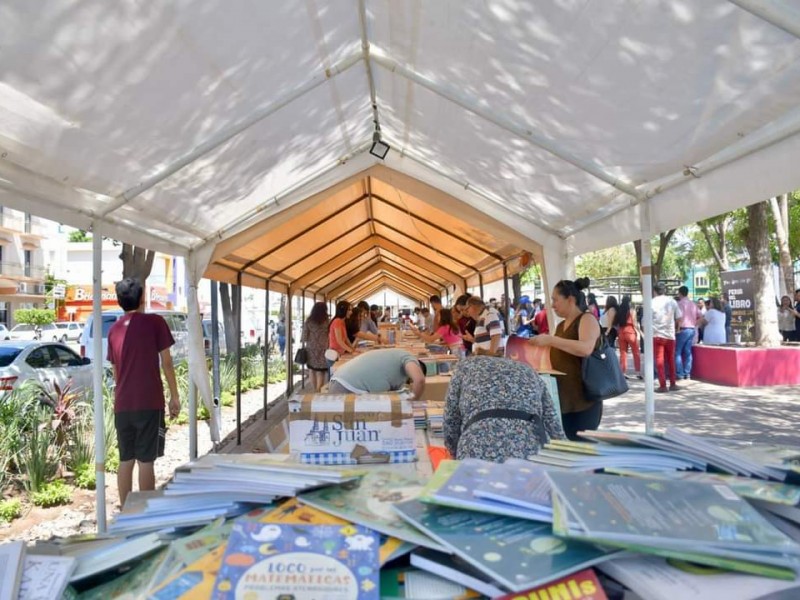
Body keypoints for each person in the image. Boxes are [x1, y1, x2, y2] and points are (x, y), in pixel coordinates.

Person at [107, 278, 180, 508]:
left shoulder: (114, 329)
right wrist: (175, 396)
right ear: (142, 298)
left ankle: (126, 511)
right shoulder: (155, 323)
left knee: (125, 460)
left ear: (119, 301)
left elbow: (116, 371)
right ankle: (145, 514)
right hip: (149, 401)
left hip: (123, 403)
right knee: (146, 461)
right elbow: (167, 363)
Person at [444, 355, 565, 461]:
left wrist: (453, 450)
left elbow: (451, 418)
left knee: (479, 486)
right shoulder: (527, 369)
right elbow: (552, 421)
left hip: (478, 443)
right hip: (530, 442)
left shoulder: (465, 365)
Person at [529, 278, 602, 440]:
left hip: (584, 400)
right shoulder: (561, 326)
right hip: (565, 399)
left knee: (584, 451)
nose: (553, 305)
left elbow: (586, 348)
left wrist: (551, 340)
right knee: (569, 449)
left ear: (570, 299)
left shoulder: (587, 319)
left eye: (555, 300)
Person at [328, 348, 426, 400]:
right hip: (349, 387)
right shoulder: (408, 358)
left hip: (338, 379)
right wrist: (414, 401)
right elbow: (420, 380)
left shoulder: (395, 359)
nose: (409, 382)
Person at [651, 282, 682, 393]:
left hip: (657, 335)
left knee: (660, 361)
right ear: (664, 290)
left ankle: (663, 385)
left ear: (654, 291)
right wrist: (677, 328)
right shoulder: (672, 301)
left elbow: (645, 321)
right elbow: (679, 317)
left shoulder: (651, 302)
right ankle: (673, 383)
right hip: (670, 334)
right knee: (671, 360)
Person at [302, 302, 330, 392]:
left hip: (311, 348)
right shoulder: (327, 321)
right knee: (320, 370)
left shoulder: (309, 321)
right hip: (324, 347)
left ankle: (315, 390)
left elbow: (304, 336)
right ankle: (319, 389)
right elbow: (330, 334)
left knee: (312, 369)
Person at [674, 286, 700, 380]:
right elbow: (700, 316)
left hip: (682, 329)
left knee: (678, 352)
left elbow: (677, 318)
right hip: (691, 329)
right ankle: (687, 373)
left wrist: (677, 328)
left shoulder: (679, 304)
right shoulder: (693, 304)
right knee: (688, 352)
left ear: (680, 293)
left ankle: (679, 373)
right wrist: (694, 324)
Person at [613, 295, 641, 378]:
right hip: (630, 332)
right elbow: (635, 323)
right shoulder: (632, 311)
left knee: (623, 353)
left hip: (621, 332)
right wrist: (640, 333)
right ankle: (638, 372)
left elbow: (616, 323)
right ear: (629, 302)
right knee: (636, 352)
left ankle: (623, 372)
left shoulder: (619, 311)